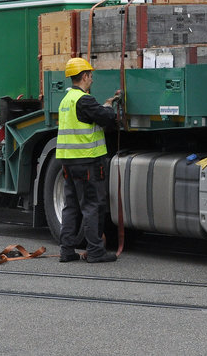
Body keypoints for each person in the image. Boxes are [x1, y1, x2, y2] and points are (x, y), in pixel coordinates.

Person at [57, 57, 121, 263]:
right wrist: (110, 106)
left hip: (69, 162)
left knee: (71, 206)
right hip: (87, 162)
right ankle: (95, 251)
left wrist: (102, 107)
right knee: (93, 206)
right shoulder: (84, 100)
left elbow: (89, 117)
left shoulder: (66, 100)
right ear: (84, 76)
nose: (92, 80)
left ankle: (66, 251)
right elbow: (106, 118)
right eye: (91, 76)